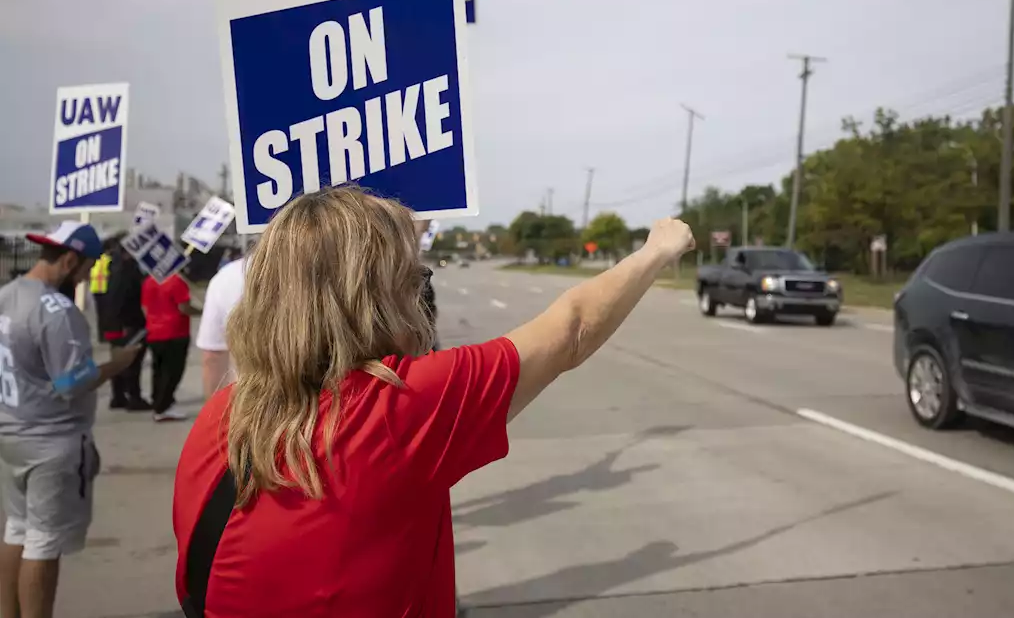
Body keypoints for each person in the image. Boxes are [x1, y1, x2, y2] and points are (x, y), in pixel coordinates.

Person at [172, 187, 693, 616]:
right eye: (415, 277)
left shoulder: (216, 417)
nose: (420, 294)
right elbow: (572, 330)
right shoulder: (398, 407)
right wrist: (657, 251)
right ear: (375, 294)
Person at [0, 222, 143, 618]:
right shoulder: (56, 310)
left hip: (11, 432)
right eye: (86, 266)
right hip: (52, 440)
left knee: (17, 529)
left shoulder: (6, 295)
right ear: (69, 260)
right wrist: (118, 365)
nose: (87, 275)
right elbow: (72, 382)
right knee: (44, 543)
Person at [141, 273, 200, 422]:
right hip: (175, 332)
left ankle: (158, 400)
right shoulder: (176, 281)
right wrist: (202, 312)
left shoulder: (149, 281)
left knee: (158, 370)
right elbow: (183, 307)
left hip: (154, 332)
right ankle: (163, 407)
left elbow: (145, 307)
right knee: (173, 371)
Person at [98, 245, 148, 411]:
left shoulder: (111, 267)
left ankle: (118, 396)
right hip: (129, 322)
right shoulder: (129, 270)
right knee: (132, 361)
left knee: (118, 359)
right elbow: (132, 295)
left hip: (112, 322)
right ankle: (134, 397)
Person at [196, 248, 247, 399]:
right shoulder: (318, 269)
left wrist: (213, 417)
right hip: (316, 410)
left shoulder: (228, 276)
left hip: (248, 405)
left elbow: (213, 357)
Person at [87, 234, 124, 343]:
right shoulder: (109, 260)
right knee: (107, 316)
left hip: (95, 290)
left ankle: (102, 335)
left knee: (101, 318)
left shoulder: (98, 259)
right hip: (105, 290)